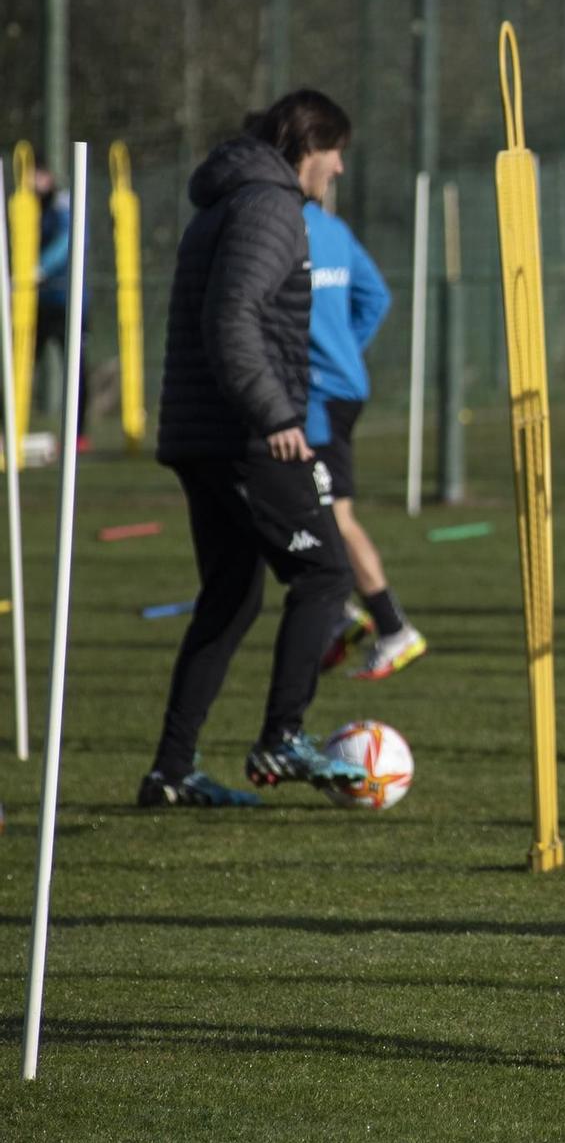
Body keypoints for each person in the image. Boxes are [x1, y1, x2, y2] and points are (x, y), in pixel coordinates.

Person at [139, 90, 368, 808]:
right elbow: (231, 317)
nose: (337, 171)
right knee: (325, 573)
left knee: (232, 599)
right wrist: (274, 412)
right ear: (310, 145)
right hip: (244, 434)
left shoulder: (228, 198)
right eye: (336, 155)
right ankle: (283, 733)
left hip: (202, 433)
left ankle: (171, 772)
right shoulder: (269, 206)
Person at [302, 197, 428, 681]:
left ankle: (392, 628)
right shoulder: (333, 228)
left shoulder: (280, 226)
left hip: (318, 395)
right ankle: (339, 616)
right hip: (344, 385)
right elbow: (375, 296)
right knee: (306, 507)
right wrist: (344, 347)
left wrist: (328, 352)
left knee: (331, 512)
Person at [31, 167, 90, 447]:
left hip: (68, 301)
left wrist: (40, 268)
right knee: (22, 365)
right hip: (37, 303)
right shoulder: (27, 206)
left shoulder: (62, 206)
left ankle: (78, 434)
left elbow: (68, 241)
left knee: (76, 368)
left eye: (36, 174)